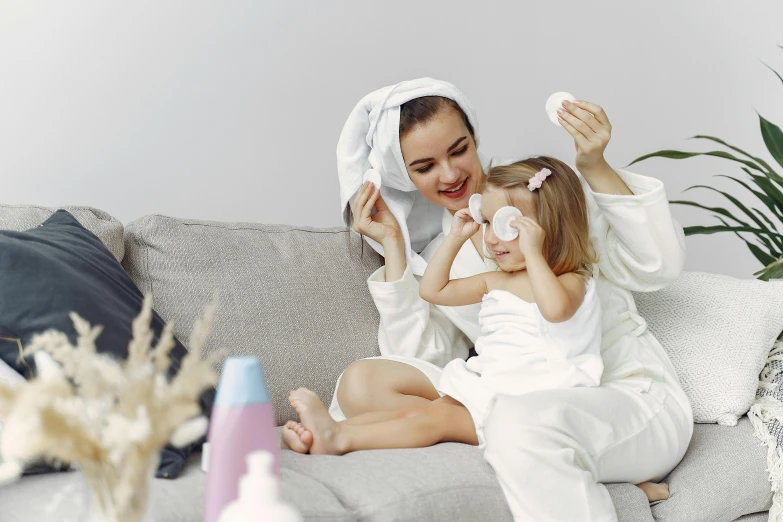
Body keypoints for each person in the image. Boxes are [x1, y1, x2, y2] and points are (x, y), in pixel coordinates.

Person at [282, 78, 690, 520]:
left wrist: (595, 166)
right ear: (405, 175)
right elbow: (428, 357)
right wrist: (396, 246)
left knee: (515, 420)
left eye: (458, 150)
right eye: (425, 167)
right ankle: (550, 461)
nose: (450, 174)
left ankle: (571, 464)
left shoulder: (546, 200)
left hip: (622, 400)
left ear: (475, 138)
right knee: (363, 384)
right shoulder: (446, 251)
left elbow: (657, 267)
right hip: (515, 390)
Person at [282, 156, 603, 454]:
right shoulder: (496, 281)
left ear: (549, 226)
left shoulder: (573, 282)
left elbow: (555, 310)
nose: (490, 238)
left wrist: (533, 253)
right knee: (418, 414)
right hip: (485, 389)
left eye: (506, 226)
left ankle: (340, 438)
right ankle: (328, 432)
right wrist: (455, 238)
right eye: (487, 223)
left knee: (431, 421)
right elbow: (434, 291)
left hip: (529, 407)